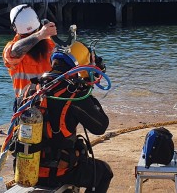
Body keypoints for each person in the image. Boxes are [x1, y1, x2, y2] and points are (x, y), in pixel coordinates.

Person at [25, 50, 113, 193]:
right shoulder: (74, 94)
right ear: (81, 67)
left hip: (27, 168)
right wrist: (87, 91)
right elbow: (100, 126)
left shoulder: (30, 89)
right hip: (60, 171)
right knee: (104, 172)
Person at [3, 4, 57, 109]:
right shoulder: (11, 48)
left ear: (14, 27)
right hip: (28, 103)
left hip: (47, 101)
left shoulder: (50, 44)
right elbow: (14, 51)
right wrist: (41, 34)